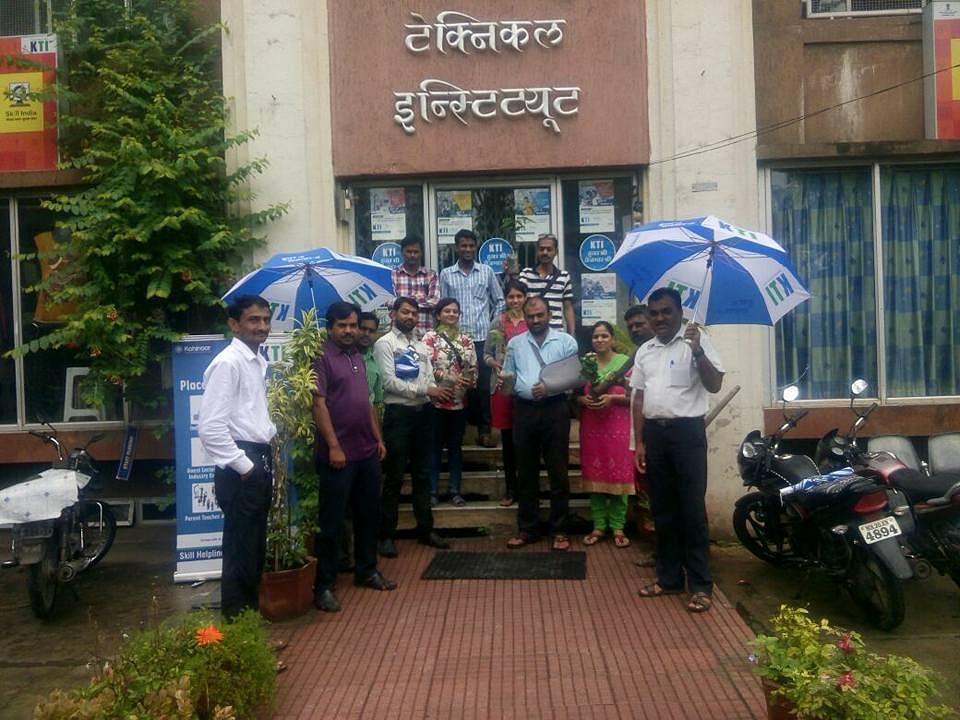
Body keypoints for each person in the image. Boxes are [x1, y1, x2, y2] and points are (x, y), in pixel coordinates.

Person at [631, 287, 724, 614]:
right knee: (663, 510)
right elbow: (639, 399)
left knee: (692, 512)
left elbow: (714, 384)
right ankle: (669, 578)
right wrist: (639, 443)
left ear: (680, 313)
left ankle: (700, 585)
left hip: (687, 435)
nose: (660, 318)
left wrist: (697, 352)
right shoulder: (645, 351)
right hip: (655, 435)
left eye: (666, 311)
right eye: (654, 312)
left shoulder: (697, 342)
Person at [311, 302, 395, 613]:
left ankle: (367, 570)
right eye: (343, 326)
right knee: (332, 522)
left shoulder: (358, 356)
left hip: (366, 451)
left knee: (368, 515)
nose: (349, 331)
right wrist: (334, 446)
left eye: (353, 325)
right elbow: (318, 404)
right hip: (338, 455)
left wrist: (378, 438)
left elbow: (367, 403)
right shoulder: (321, 357)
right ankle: (324, 586)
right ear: (330, 327)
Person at [197, 295, 276, 620]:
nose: (262, 326)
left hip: (257, 458)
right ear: (234, 324)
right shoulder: (228, 363)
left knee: (253, 549)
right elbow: (210, 427)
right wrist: (245, 466)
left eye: (266, 320)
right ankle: (238, 628)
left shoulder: (255, 360)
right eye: (254, 320)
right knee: (241, 551)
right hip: (242, 465)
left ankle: (248, 625)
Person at [375, 296, 453, 557]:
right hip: (399, 416)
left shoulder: (420, 346)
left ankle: (425, 529)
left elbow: (428, 377)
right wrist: (426, 390)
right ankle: (386, 535)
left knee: (423, 475)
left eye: (414, 313)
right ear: (393, 314)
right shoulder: (385, 343)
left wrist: (435, 390)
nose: (410, 317)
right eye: (405, 312)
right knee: (394, 477)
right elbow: (389, 383)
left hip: (424, 415)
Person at [500, 295, 579, 551]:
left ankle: (560, 530)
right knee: (526, 471)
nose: (535, 320)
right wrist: (504, 383)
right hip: (524, 411)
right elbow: (509, 377)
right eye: (531, 316)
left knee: (558, 471)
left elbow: (576, 378)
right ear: (525, 317)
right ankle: (528, 529)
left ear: (549, 315)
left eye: (540, 315)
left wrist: (550, 387)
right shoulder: (514, 343)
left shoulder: (566, 341)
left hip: (555, 409)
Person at [439, 228, 505, 447]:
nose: (467, 249)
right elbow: (443, 305)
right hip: (456, 340)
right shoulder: (447, 274)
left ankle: (484, 431)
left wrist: (492, 326)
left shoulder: (486, 272)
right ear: (456, 248)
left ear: (475, 247)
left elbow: (500, 301)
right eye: (463, 245)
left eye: (471, 245)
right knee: (458, 383)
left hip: (482, 338)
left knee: (483, 386)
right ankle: (458, 432)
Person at [577, 321, 634, 548]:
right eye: (595, 337)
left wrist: (613, 399)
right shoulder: (586, 363)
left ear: (613, 339)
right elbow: (575, 395)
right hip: (592, 428)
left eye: (604, 336)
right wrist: (582, 400)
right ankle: (599, 526)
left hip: (618, 428)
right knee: (595, 476)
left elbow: (635, 396)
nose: (599, 340)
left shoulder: (625, 363)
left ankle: (618, 527)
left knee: (619, 475)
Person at [422, 298, 477, 506]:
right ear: (438, 315)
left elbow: (474, 369)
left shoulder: (466, 340)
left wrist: (469, 380)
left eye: (455, 311)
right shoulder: (429, 338)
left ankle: (455, 491)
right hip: (435, 402)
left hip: (458, 403)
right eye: (447, 311)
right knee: (434, 448)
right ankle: (432, 491)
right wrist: (450, 378)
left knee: (455, 448)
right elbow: (426, 368)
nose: (452, 314)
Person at [484, 279, 528, 506]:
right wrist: (494, 363)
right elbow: (486, 354)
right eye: (511, 297)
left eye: (519, 296)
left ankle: (527, 490)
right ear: (505, 299)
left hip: (526, 387)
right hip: (503, 386)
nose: (515, 301)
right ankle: (511, 489)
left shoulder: (532, 321)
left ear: (525, 298)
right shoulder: (498, 322)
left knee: (526, 439)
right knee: (509, 441)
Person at [624, 304, 656, 538]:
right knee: (645, 492)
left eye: (639, 324)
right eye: (631, 326)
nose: (635, 329)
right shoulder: (639, 354)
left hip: (659, 433)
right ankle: (656, 544)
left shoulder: (663, 352)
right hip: (639, 435)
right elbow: (634, 396)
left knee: (663, 493)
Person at [514, 233, 575, 333]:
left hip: (556, 333)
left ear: (556, 252)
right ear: (537, 251)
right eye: (541, 249)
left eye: (549, 249)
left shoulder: (564, 276)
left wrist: (571, 334)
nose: (545, 252)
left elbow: (568, 307)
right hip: (532, 332)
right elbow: (518, 301)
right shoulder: (526, 274)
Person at [391, 234, 441, 338]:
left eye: (416, 252)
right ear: (402, 252)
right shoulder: (393, 274)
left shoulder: (431, 275)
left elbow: (434, 301)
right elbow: (390, 301)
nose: (412, 255)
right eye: (409, 251)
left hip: (425, 335)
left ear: (421, 253)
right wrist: (421, 299)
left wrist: (403, 303)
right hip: (399, 335)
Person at [357, 311, 384, 420]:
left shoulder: (375, 365)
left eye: (371, 331)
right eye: (363, 329)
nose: (367, 334)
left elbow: (376, 403)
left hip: (367, 424)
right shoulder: (343, 359)